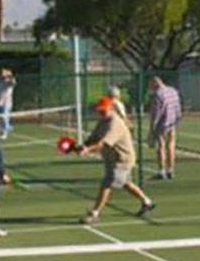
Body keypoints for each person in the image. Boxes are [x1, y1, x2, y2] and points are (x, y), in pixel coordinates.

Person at [77, 96, 154, 224]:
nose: (101, 113)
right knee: (126, 183)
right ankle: (147, 202)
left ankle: (95, 213)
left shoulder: (115, 123)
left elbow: (104, 144)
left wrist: (87, 150)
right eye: (99, 110)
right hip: (111, 159)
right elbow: (93, 138)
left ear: (111, 108)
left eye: (103, 110)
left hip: (122, 159)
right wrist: (83, 146)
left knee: (107, 184)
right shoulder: (103, 121)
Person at [148, 75, 182, 179]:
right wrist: (178, 119)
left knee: (161, 147)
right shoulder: (173, 91)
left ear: (155, 83)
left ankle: (161, 170)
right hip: (172, 122)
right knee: (171, 146)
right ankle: (170, 169)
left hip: (162, 124)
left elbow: (156, 113)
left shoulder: (158, 94)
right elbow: (178, 106)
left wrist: (152, 129)